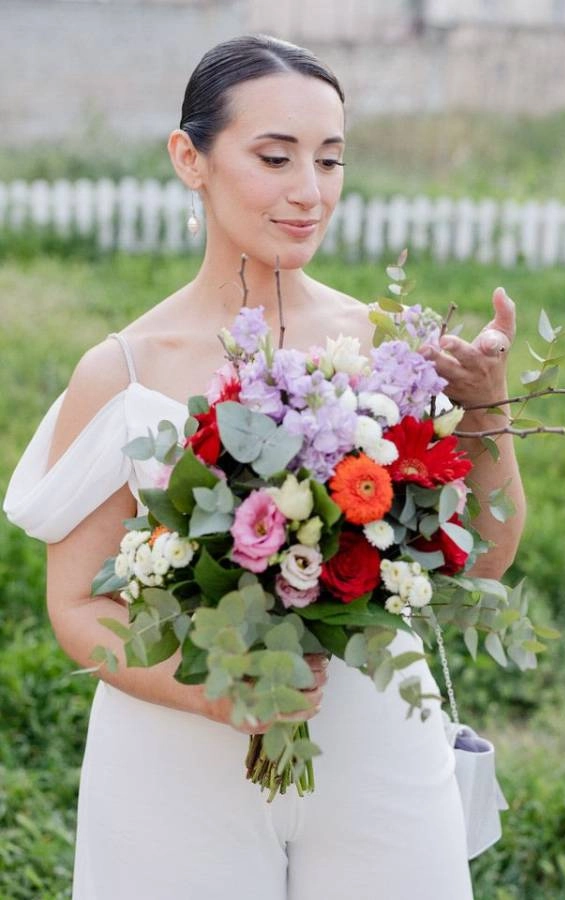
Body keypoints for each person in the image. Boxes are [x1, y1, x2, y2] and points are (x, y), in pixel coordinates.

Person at [4, 34, 525, 900]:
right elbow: (77, 607)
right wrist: (218, 694)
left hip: (375, 738)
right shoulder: (123, 371)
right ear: (191, 158)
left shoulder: (390, 346)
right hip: (177, 754)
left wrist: (485, 411)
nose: (309, 191)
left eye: (330, 159)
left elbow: (486, 561)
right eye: (276, 157)